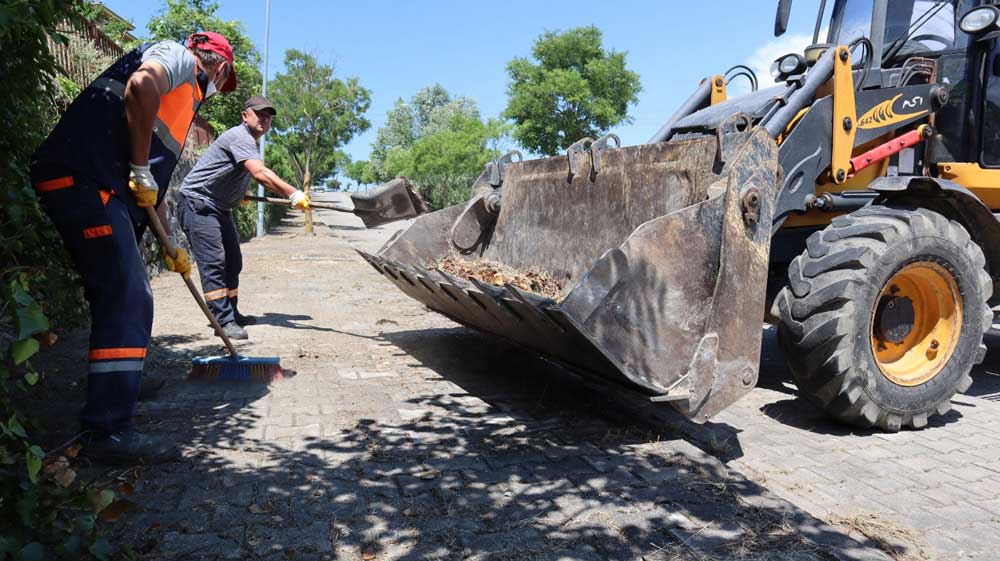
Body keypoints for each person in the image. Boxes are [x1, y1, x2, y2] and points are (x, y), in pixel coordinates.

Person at [29, 32, 238, 465]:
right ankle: (107, 431)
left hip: (96, 184)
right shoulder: (178, 58)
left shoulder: (182, 104)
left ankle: (121, 384)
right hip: (86, 179)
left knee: (118, 295)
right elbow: (140, 87)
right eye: (225, 77)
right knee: (130, 298)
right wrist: (140, 169)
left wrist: (173, 245)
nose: (220, 88)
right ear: (218, 64)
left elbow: (153, 189)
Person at [177, 95, 309, 340]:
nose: (264, 118)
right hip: (198, 203)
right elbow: (259, 173)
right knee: (214, 261)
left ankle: (231, 312)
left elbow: (231, 170)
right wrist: (292, 193)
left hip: (218, 206)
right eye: (259, 113)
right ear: (245, 115)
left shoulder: (249, 142)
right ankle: (222, 321)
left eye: (268, 115)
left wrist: (242, 192)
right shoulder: (240, 136)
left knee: (233, 261)